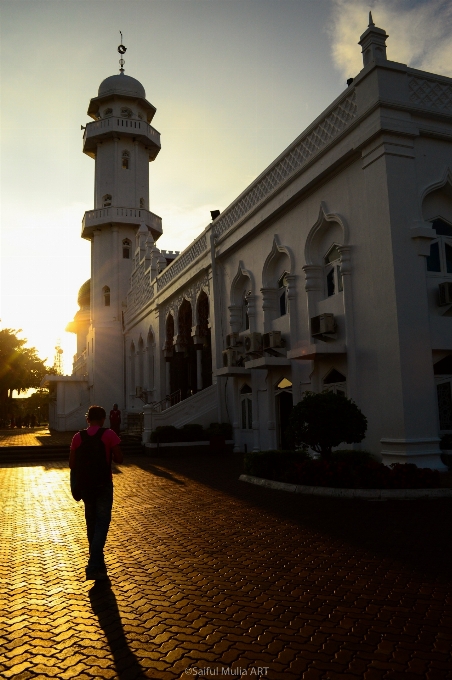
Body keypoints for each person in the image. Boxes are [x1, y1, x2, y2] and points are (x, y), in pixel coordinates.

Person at [69, 405, 123, 580]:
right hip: (103, 485)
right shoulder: (109, 434)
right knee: (102, 524)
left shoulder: (78, 437)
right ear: (103, 419)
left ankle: (98, 563)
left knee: (91, 524)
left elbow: (72, 464)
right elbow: (119, 458)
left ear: (87, 419)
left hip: (86, 486)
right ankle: (93, 566)